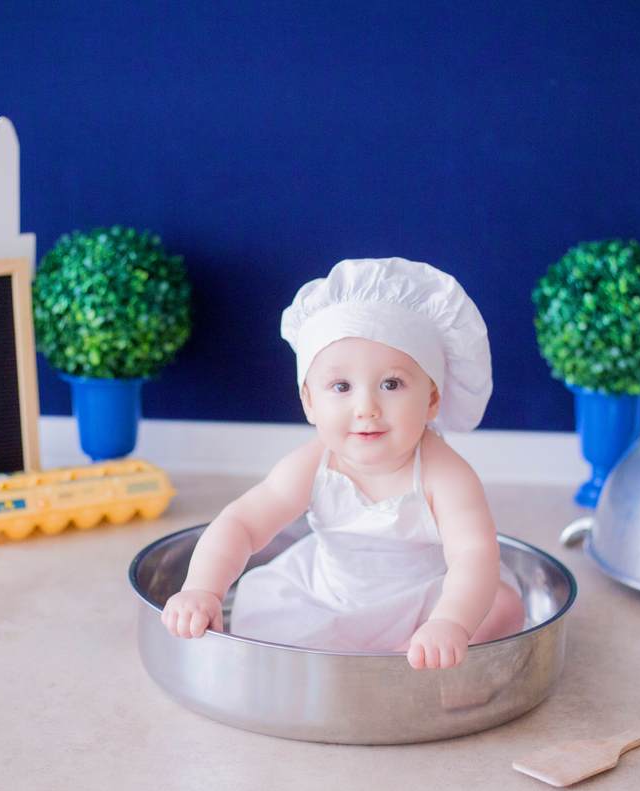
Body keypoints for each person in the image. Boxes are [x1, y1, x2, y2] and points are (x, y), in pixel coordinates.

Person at [161, 257, 525, 669]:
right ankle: (367, 664)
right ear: (310, 402)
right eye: (341, 386)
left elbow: (474, 554)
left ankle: (409, 653)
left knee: (503, 606)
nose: (365, 407)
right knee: (268, 623)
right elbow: (241, 523)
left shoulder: (446, 475)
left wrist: (451, 623)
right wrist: (202, 589)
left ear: (432, 399)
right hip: (326, 597)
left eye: (391, 384)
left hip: (429, 599)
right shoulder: (312, 464)